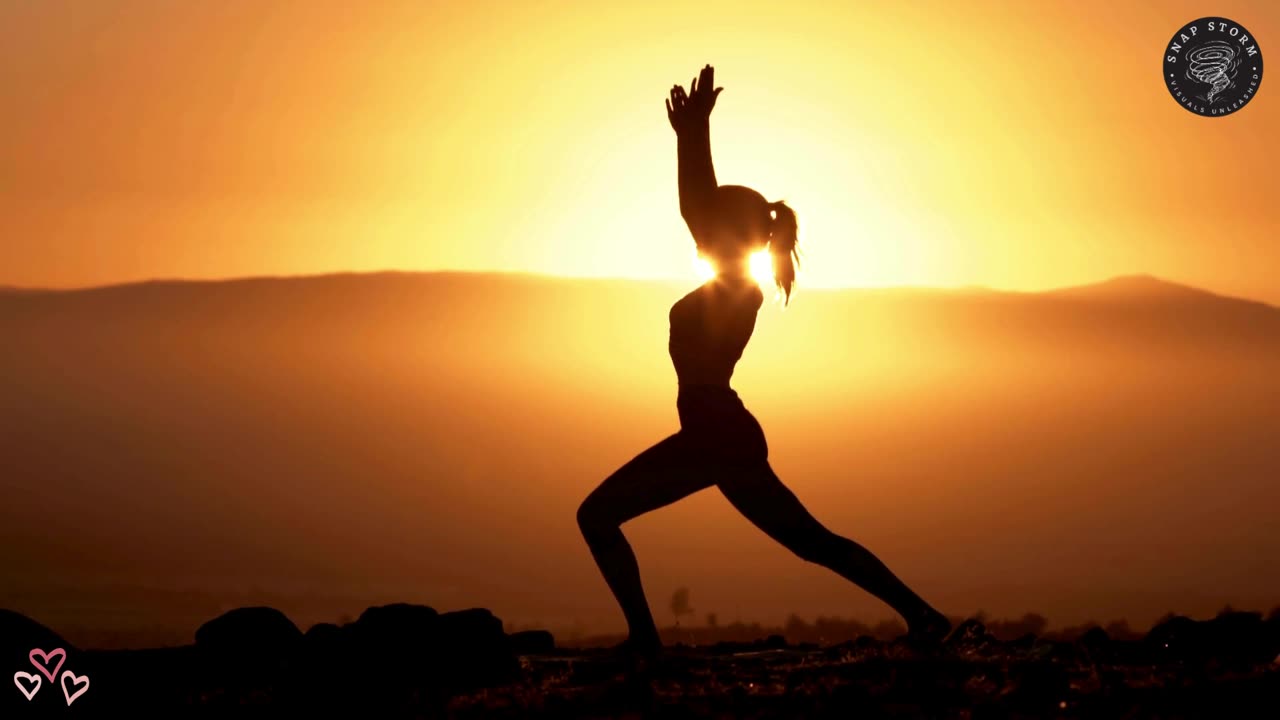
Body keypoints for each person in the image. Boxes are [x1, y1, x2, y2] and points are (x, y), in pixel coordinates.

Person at [576, 64, 951, 659]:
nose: (697, 227)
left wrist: (692, 136)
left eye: (712, 222)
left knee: (596, 516)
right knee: (811, 541)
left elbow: (696, 208)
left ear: (730, 233)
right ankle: (926, 616)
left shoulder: (736, 287)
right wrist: (690, 136)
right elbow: (700, 208)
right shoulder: (733, 281)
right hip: (720, 433)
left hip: (715, 434)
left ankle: (645, 641)